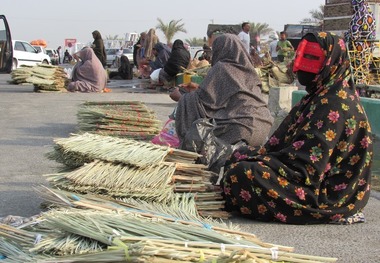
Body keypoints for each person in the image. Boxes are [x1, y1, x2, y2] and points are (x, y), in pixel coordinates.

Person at [222, 32, 373, 225]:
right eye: (303, 57)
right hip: (303, 171)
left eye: (312, 58)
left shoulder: (335, 104)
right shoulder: (319, 95)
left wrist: (263, 161)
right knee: (238, 155)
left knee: (243, 173)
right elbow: (285, 147)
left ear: (330, 62)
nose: (301, 66)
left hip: (326, 192)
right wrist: (258, 156)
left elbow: (307, 168)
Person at [170, 33, 273, 148]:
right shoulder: (250, 71)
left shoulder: (221, 67)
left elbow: (203, 104)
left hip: (240, 130)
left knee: (191, 108)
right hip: (263, 127)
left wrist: (181, 97)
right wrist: (199, 88)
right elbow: (232, 94)